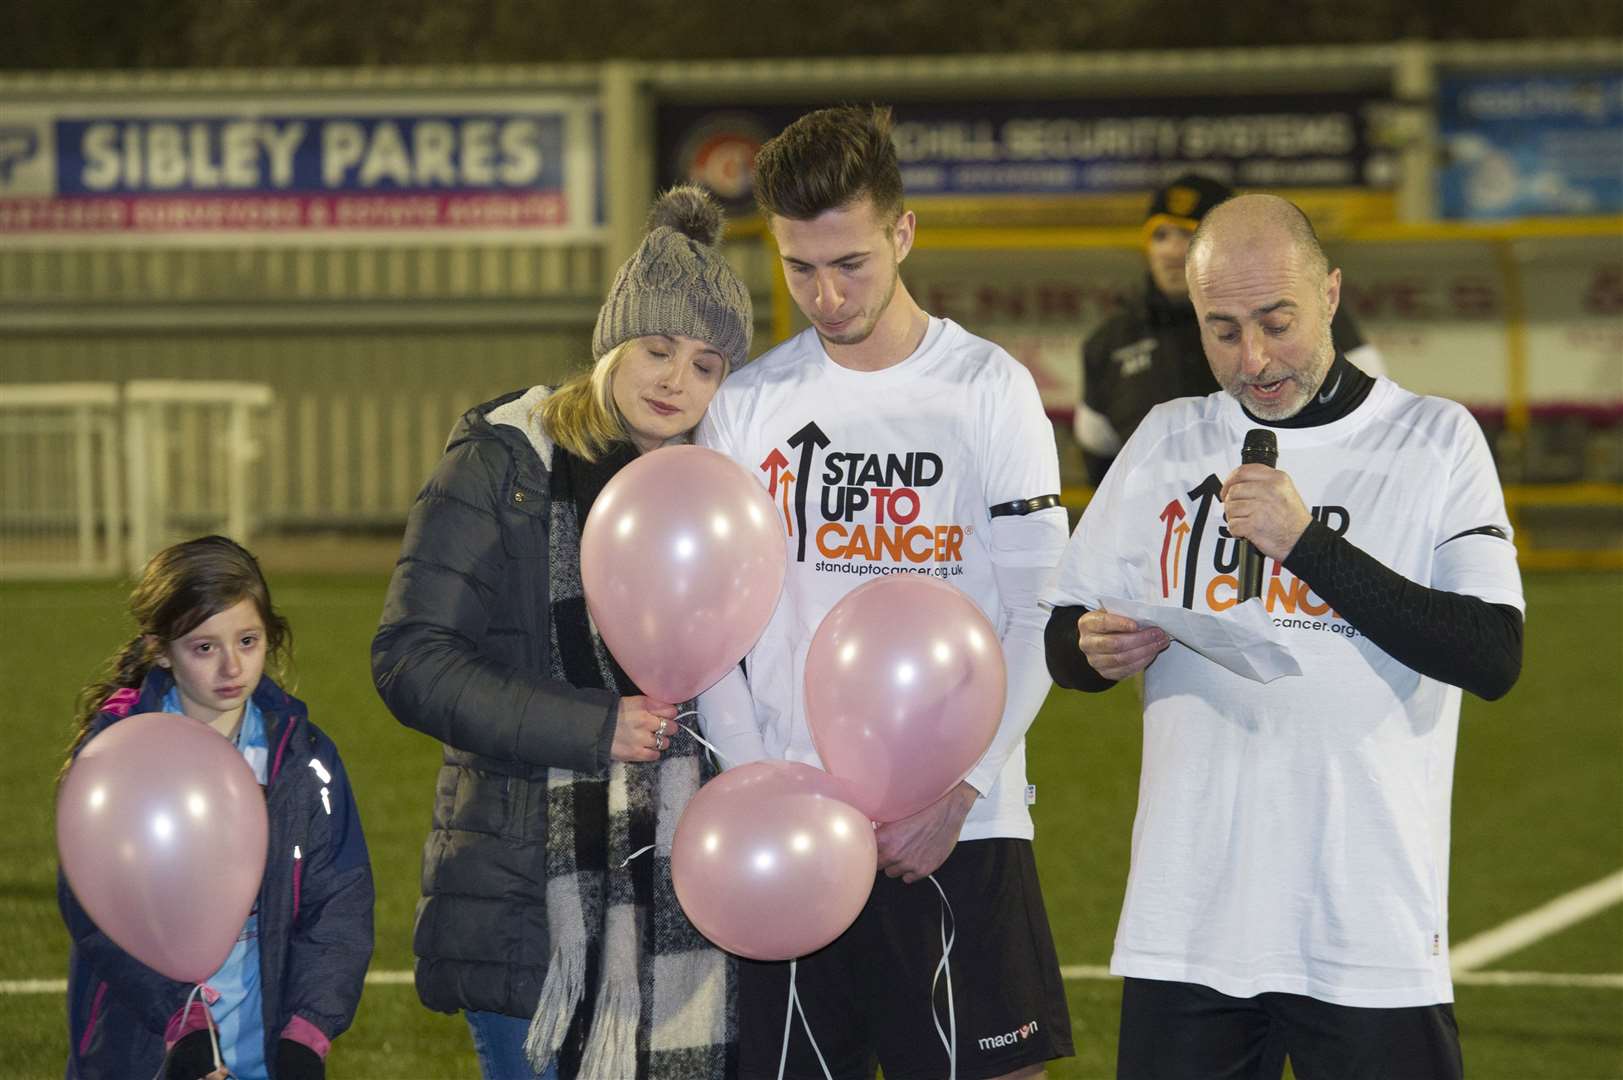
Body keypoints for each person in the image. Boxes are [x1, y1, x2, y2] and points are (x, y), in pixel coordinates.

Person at [1044, 193, 1525, 1080]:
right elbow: (1060, 641)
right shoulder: (1166, 438)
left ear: (1331, 293)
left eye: (1277, 321)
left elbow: (1490, 656)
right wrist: (1091, 649)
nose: (1254, 359)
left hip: (1365, 928)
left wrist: (1306, 544)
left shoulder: (1431, 439)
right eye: (1221, 330)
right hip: (1184, 927)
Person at [695, 104, 1075, 1080]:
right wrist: (755, 787)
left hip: (955, 826)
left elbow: (1043, 609)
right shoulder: (746, 406)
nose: (825, 295)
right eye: (798, 267)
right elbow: (712, 630)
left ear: (904, 233)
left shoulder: (989, 389)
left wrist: (964, 786)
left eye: (850, 263)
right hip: (791, 828)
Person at [371, 185, 753, 1080]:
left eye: (705, 366)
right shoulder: (505, 459)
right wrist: (592, 725)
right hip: (522, 891)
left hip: (679, 894)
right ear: (612, 344)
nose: (675, 381)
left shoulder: (716, 493)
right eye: (657, 349)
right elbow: (409, 659)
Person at [61, 535, 374, 1080]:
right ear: (161, 649)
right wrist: (179, 1023)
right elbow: (95, 908)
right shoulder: (116, 759)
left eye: (248, 641)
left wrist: (306, 1033)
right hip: (145, 1047)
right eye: (205, 647)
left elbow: (339, 902)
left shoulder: (305, 760)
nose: (232, 666)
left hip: (263, 1049)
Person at [1074, 172, 1385, 485]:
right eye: (1160, 235)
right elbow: (1101, 460)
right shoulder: (1111, 341)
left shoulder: (1309, 312)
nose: (1171, 250)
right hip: (1166, 525)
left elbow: (1368, 415)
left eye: (1187, 235)